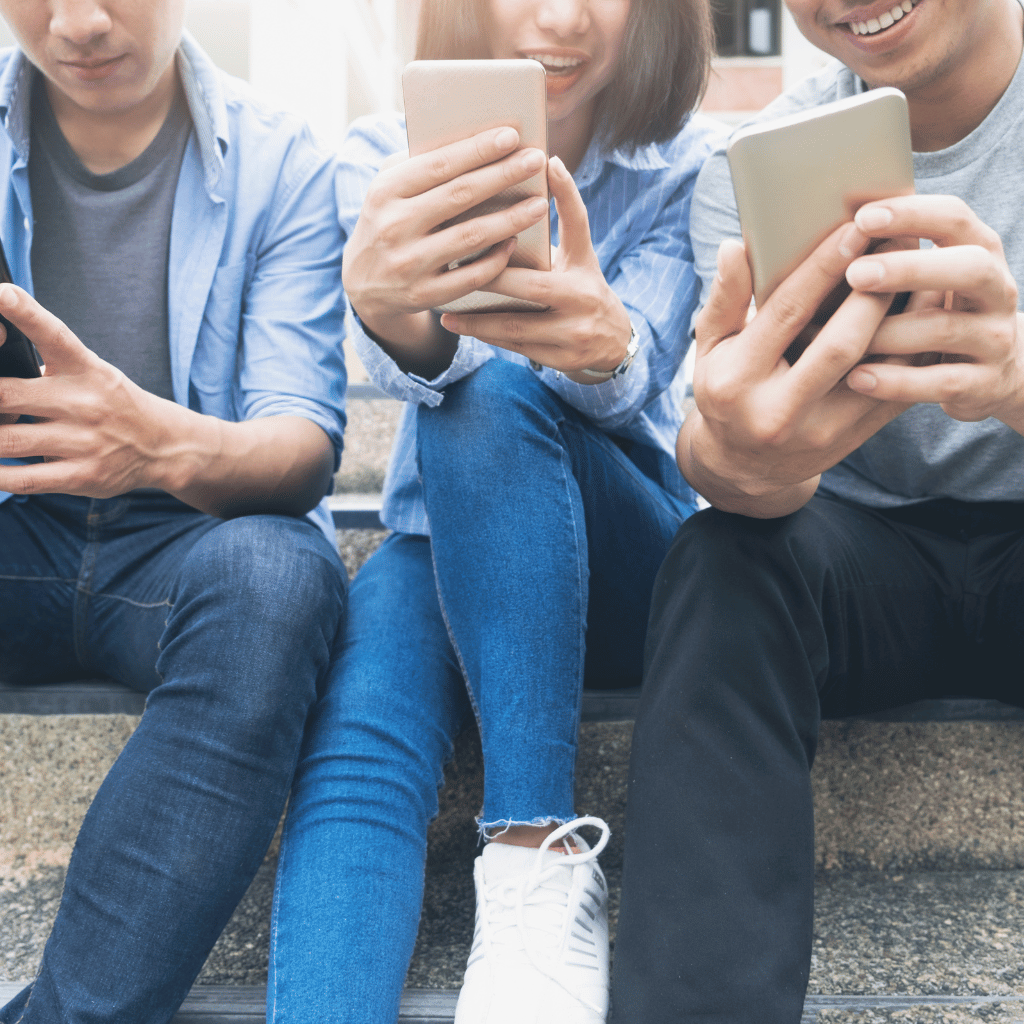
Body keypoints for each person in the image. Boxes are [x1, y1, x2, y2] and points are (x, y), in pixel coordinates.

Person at [266, 0, 720, 1020]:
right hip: (437, 541)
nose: (558, 17)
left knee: (497, 389)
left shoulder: (693, 168)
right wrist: (402, 326)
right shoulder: (379, 163)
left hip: (627, 549)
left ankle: (534, 849)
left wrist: (601, 345)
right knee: (360, 740)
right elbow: (429, 374)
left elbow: (626, 386)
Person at [610, 0, 1024, 1019]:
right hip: (857, 553)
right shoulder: (753, 166)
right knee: (720, 556)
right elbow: (728, 466)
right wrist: (737, 457)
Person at [0, 2, 348, 1022]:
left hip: (187, 549)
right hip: (19, 526)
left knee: (282, 576)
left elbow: (301, 448)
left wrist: (148, 441)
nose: (79, 24)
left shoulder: (283, 160)